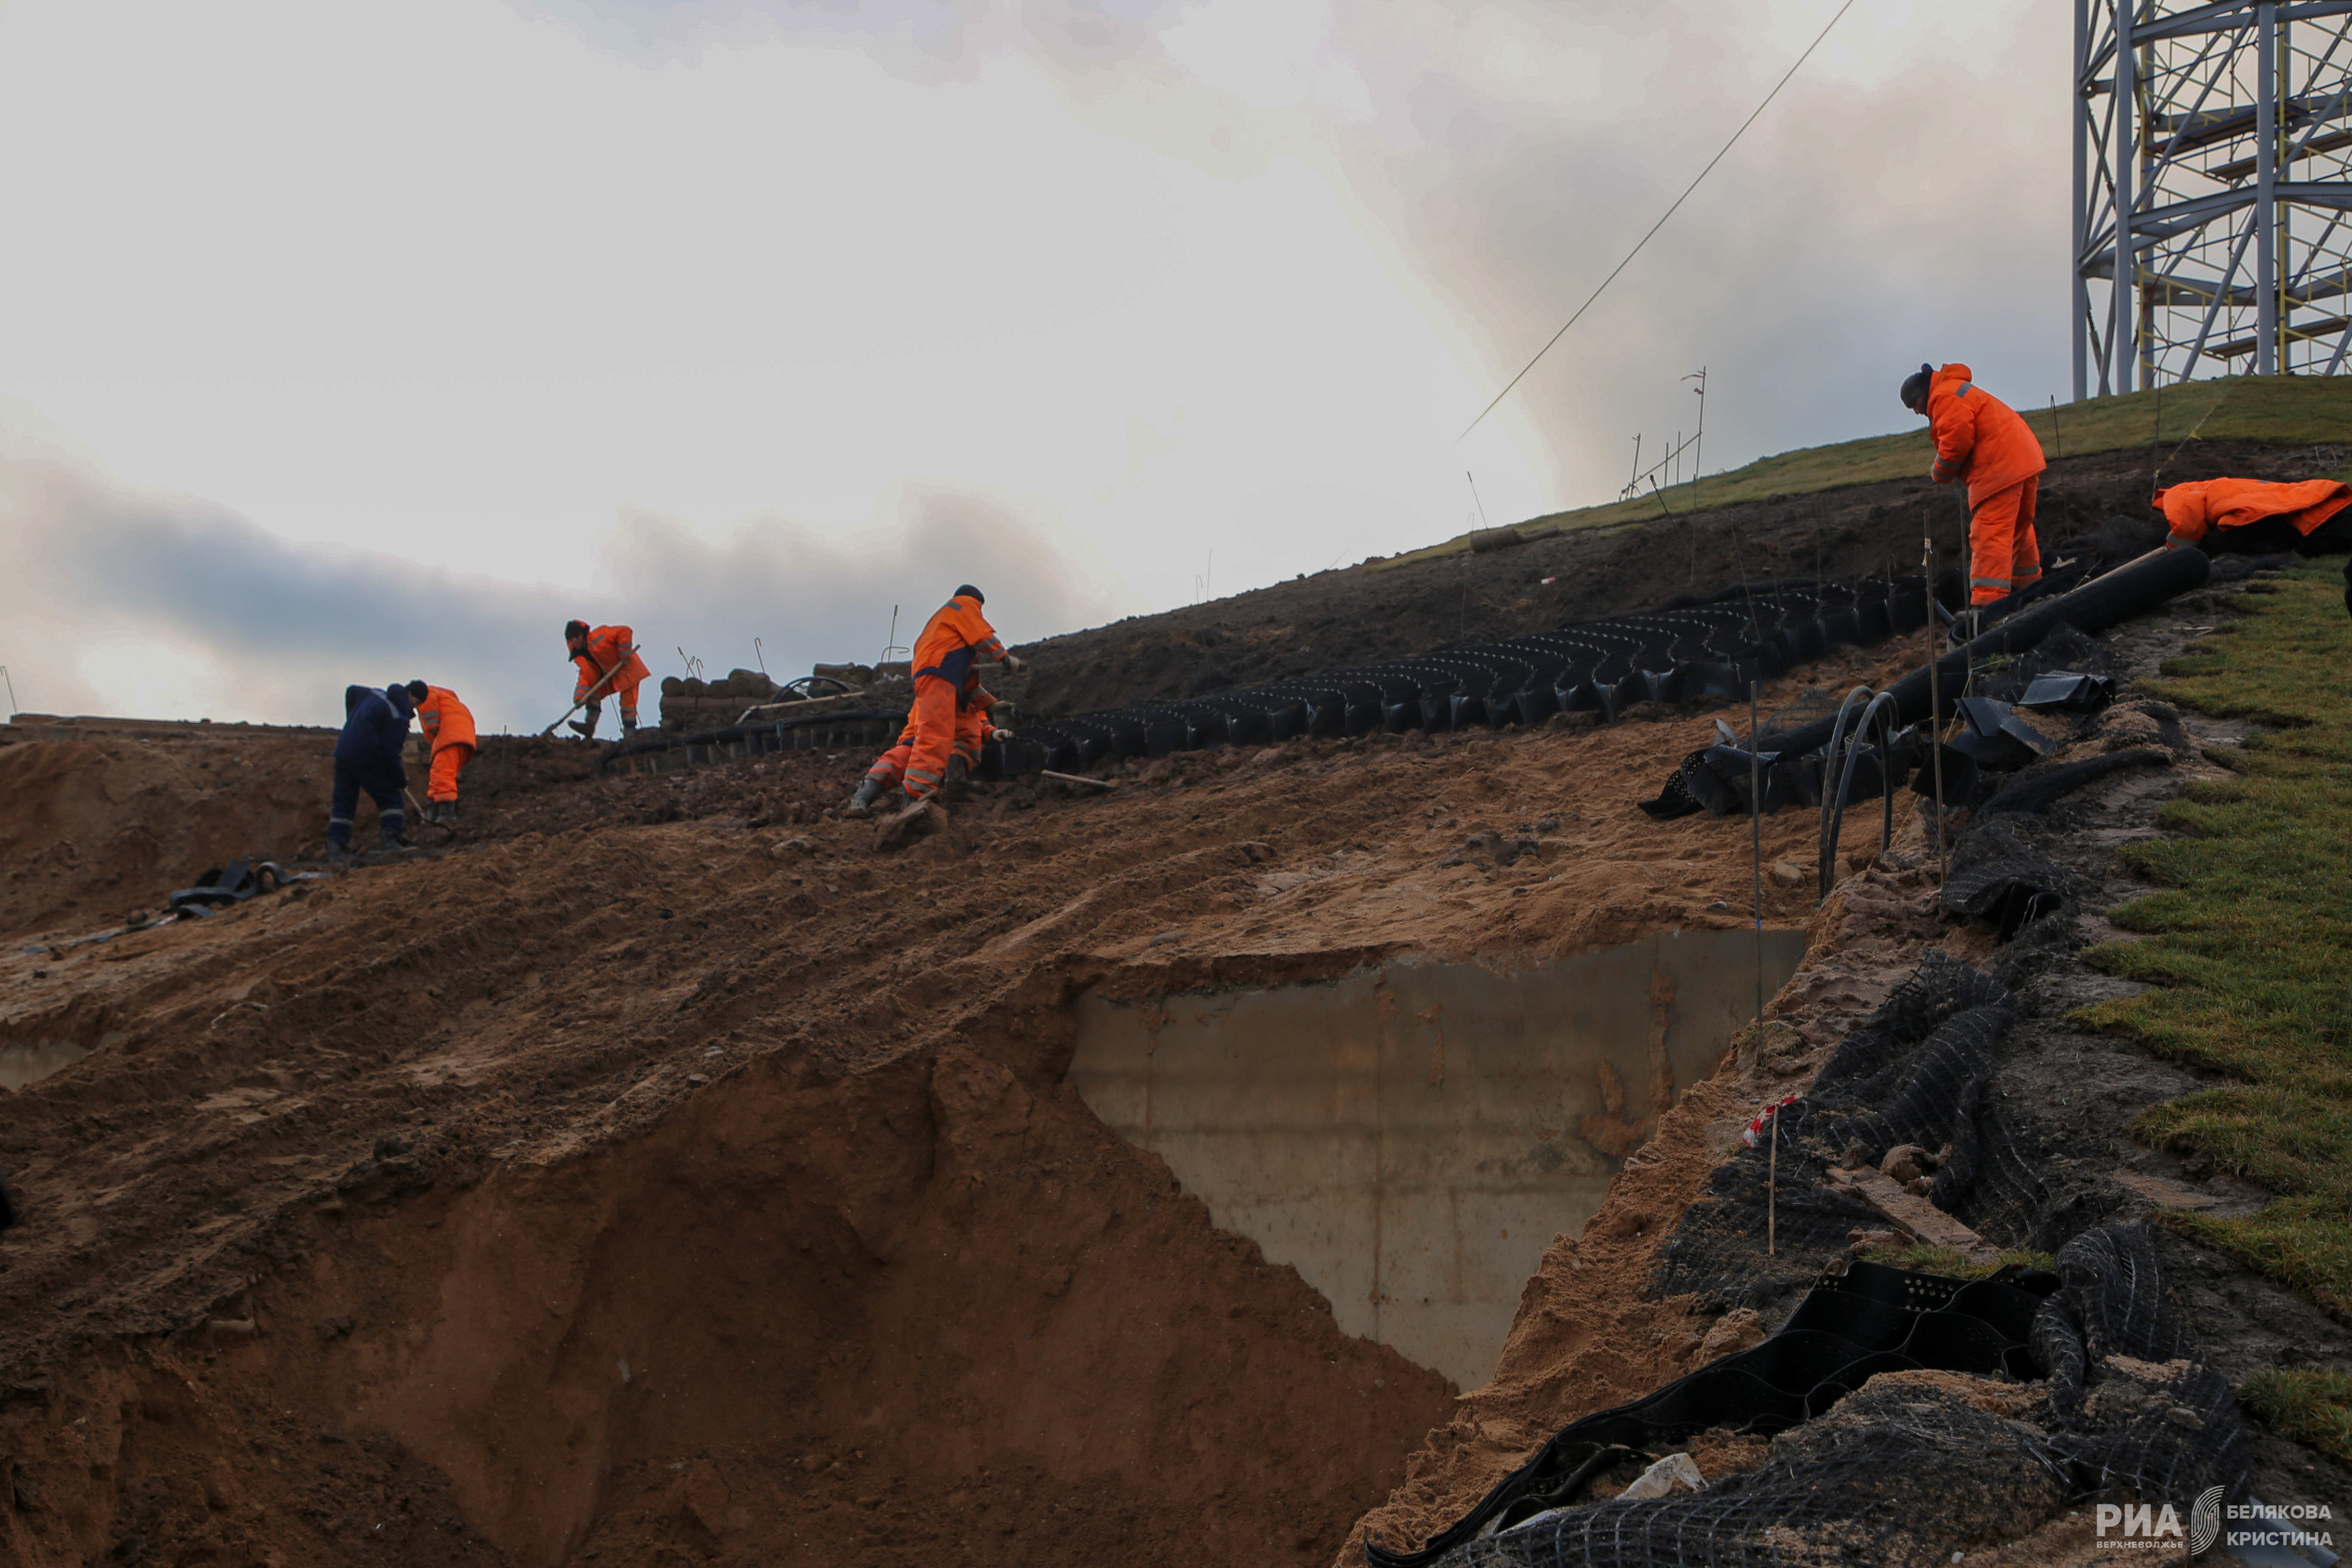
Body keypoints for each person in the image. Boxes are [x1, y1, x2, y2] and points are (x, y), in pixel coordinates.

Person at [847, 585, 1027, 814]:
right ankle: (915, 799)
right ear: (977, 602)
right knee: (937, 738)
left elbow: (969, 686)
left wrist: (991, 705)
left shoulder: (943, 633)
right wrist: (1005, 658)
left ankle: (863, 797)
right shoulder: (964, 606)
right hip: (938, 681)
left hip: (927, 686)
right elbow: (983, 636)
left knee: (905, 754)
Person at [1902, 362, 2048, 608]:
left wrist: (1938, 472)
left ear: (1921, 396)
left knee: (1990, 533)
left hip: (1999, 468)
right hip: (2023, 458)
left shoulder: (1943, 396)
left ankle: (1987, 605)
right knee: (2017, 528)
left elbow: (1956, 442)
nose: (1916, 412)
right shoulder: (1955, 389)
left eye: (1913, 405)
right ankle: (2029, 588)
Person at [328, 683, 416, 864]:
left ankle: (335, 849)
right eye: (417, 701)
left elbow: (351, 691)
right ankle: (391, 843)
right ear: (410, 695)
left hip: (344, 752)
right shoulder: (398, 717)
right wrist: (400, 781)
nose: (416, 706)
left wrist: (352, 722)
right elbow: (391, 755)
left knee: (344, 801)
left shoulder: (374, 694)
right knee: (391, 798)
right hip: (366, 757)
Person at [2152, 477, 2352, 553]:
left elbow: (2186, 531)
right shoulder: (2197, 490)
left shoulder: (2183, 503)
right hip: (2320, 497)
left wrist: (2169, 551)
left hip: (2320, 516)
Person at [405, 680, 476, 824]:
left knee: (442, 774)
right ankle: (434, 812)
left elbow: (429, 709)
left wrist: (432, 728)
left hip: (450, 737)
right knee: (439, 774)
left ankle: (446, 815)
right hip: (461, 737)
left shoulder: (428, 694)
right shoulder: (446, 698)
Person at [563, 621, 650, 738]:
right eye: (570, 639)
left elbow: (625, 631)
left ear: (581, 635)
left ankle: (630, 734)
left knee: (628, 704)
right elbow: (586, 676)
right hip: (611, 676)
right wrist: (580, 697)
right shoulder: (582, 656)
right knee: (593, 694)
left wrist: (624, 654)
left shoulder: (600, 636)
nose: (573, 641)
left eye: (575, 637)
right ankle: (589, 726)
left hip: (628, 670)